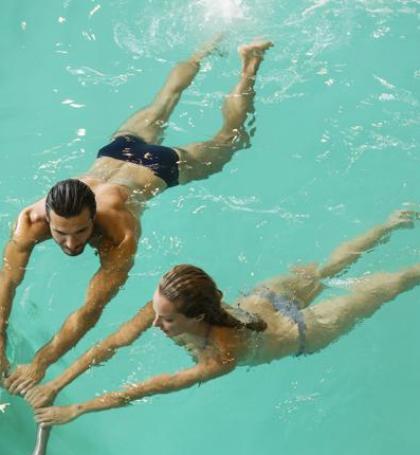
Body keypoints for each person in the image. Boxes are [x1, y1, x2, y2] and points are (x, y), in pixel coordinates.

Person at [1, 38, 273, 396]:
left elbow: (90, 310)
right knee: (166, 98)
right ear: (47, 219)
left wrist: (41, 362)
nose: (71, 243)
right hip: (117, 151)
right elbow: (7, 283)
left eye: (81, 231)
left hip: (157, 166)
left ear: (93, 215)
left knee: (230, 142)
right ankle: (203, 47)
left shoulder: (120, 233)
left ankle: (248, 65)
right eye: (61, 233)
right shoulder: (29, 221)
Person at [28, 209, 419, 426]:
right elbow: (111, 342)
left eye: (167, 321)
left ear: (197, 315)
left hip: (300, 330)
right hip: (268, 296)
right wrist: (57, 382)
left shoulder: (220, 355)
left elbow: (150, 387)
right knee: (326, 268)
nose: (154, 323)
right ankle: (390, 223)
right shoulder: (170, 298)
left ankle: (402, 243)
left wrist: (78, 409)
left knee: (389, 284)